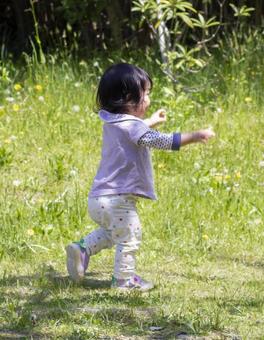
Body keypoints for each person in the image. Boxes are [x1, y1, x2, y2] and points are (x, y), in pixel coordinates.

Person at [65, 63, 215, 291]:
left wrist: (150, 121)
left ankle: (82, 248)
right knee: (130, 237)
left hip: (99, 198)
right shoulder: (132, 126)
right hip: (118, 200)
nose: (148, 99)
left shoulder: (112, 121)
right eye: (145, 94)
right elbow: (161, 141)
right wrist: (195, 136)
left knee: (113, 233)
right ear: (128, 98)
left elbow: (133, 130)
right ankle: (124, 280)